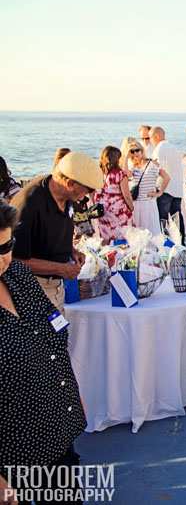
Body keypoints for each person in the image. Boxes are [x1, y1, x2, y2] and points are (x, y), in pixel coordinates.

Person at [0, 202, 88, 505]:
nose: (3, 258)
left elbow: (54, 338)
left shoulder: (19, 278)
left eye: (7, 246)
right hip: (10, 448)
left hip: (53, 428)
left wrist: (73, 395)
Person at [11, 152, 103, 311]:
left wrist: (71, 251)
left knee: (59, 335)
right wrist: (60, 268)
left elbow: (53, 231)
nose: (86, 196)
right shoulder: (29, 204)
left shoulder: (66, 197)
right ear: (69, 183)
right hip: (33, 289)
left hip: (57, 287)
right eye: (86, 190)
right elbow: (14, 260)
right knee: (43, 336)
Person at [125, 137, 170, 236]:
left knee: (152, 233)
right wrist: (126, 157)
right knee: (138, 235)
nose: (135, 153)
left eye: (137, 150)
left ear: (142, 150)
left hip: (149, 204)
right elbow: (125, 174)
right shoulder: (133, 167)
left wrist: (159, 192)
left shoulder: (152, 163)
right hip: (136, 205)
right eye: (132, 151)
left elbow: (166, 177)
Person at [150, 126, 186, 241]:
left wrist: (157, 189)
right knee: (177, 218)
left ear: (156, 136)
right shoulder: (174, 148)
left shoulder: (159, 149)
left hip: (165, 189)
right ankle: (181, 242)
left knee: (163, 219)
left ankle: (166, 244)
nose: (150, 141)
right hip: (177, 188)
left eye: (150, 137)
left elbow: (157, 170)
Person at [94, 145, 134, 243]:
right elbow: (127, 195)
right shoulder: (120, 174)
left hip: (102, 210)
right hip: (118, 210)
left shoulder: (99, 172)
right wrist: (131, 207)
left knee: (106, 238)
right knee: (122, 238)